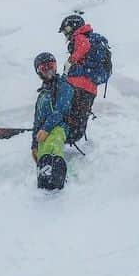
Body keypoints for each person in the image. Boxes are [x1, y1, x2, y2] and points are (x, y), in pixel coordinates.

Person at [58, 14, 111, 143]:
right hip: (90, 88)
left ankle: (56, 134)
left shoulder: (80, 36)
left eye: (66, 30)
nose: (66, 34)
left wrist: (70, 61)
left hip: (77, 85)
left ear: (73, 26)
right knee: (79, 116)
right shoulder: (91, 39)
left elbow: (84, 46)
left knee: (64, 111)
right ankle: (73, 134)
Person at [32, 52, 73, 190]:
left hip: (62, 125)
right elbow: (36, 122)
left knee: (53, 142)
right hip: (45, 130)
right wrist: (34, 145)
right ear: (39, 72)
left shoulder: (63, 85)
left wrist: (46, 129)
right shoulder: (42, 94)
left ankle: (56, 172)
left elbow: (61, 110)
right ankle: (45, 174)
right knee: (43, 149)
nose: (49, 70)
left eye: (51, 66)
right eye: (44, 68)